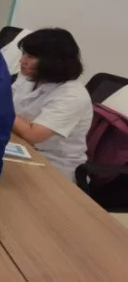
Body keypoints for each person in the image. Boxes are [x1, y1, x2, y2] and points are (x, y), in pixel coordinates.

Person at [11, 28, 93, 181]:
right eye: (24, 54)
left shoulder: (72, 95)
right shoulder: (29, 77)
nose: (22, 60)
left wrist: (0, 108)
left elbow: (33, 134)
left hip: (52, 165)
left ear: (53, 61)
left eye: (30, 56)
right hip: (19, 146)